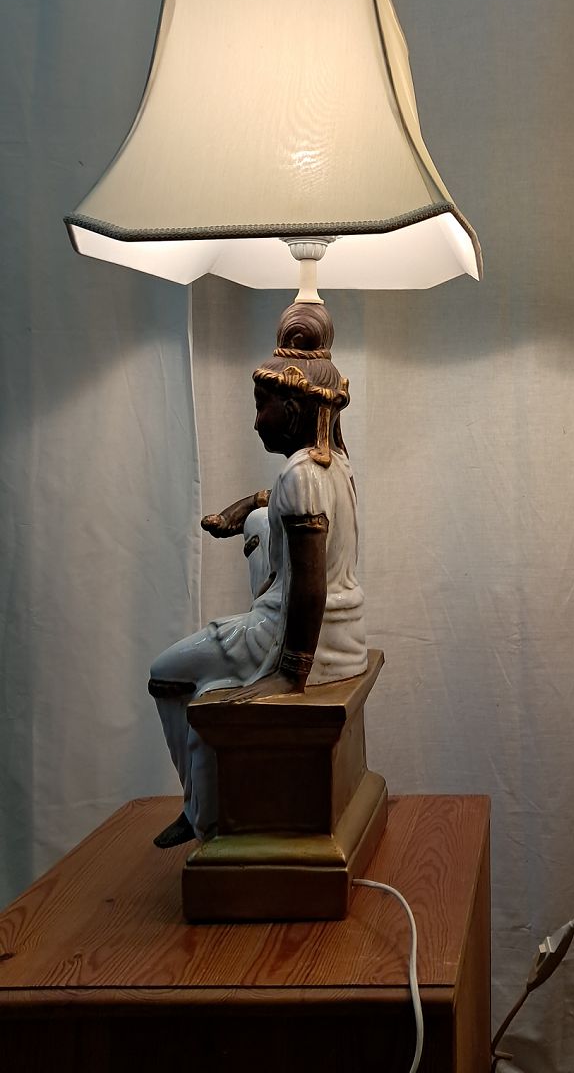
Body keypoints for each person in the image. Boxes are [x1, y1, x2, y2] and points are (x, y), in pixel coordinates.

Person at [148, 302, 366, 847]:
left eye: (261, 406)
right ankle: (209, 802)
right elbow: (290, 513)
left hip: (293, 637)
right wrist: (248, 504)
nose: (254, 421)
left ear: (292, 408)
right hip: (347, 631)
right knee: (262, 522)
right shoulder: (334, 464)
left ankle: (199, 812)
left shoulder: (298, 476)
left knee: (166, 674)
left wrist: (289, 674)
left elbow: (309, 587)